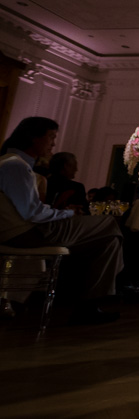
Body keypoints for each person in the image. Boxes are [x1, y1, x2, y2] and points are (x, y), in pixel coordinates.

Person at [0, 117, 123, 324]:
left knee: (109, 242)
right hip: (26, 232)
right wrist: (68, 214)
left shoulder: (14, 163)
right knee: (110, 223)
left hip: (28, 229)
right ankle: (115, 283)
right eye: (51, 137)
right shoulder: (14, 165)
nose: (53, 144)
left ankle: (88, 305)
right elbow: (32, 213)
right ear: (32, 137)